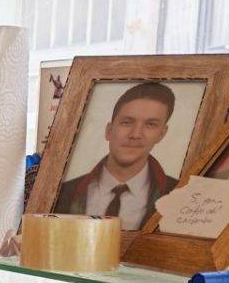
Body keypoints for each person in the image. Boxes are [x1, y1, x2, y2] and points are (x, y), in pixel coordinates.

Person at [53, 81, 180, 230]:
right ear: (109, 130)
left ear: (161, 134)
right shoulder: (62, 192)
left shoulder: (178, 195)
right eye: (127, 122)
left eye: (150, 124)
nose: (135, 134)